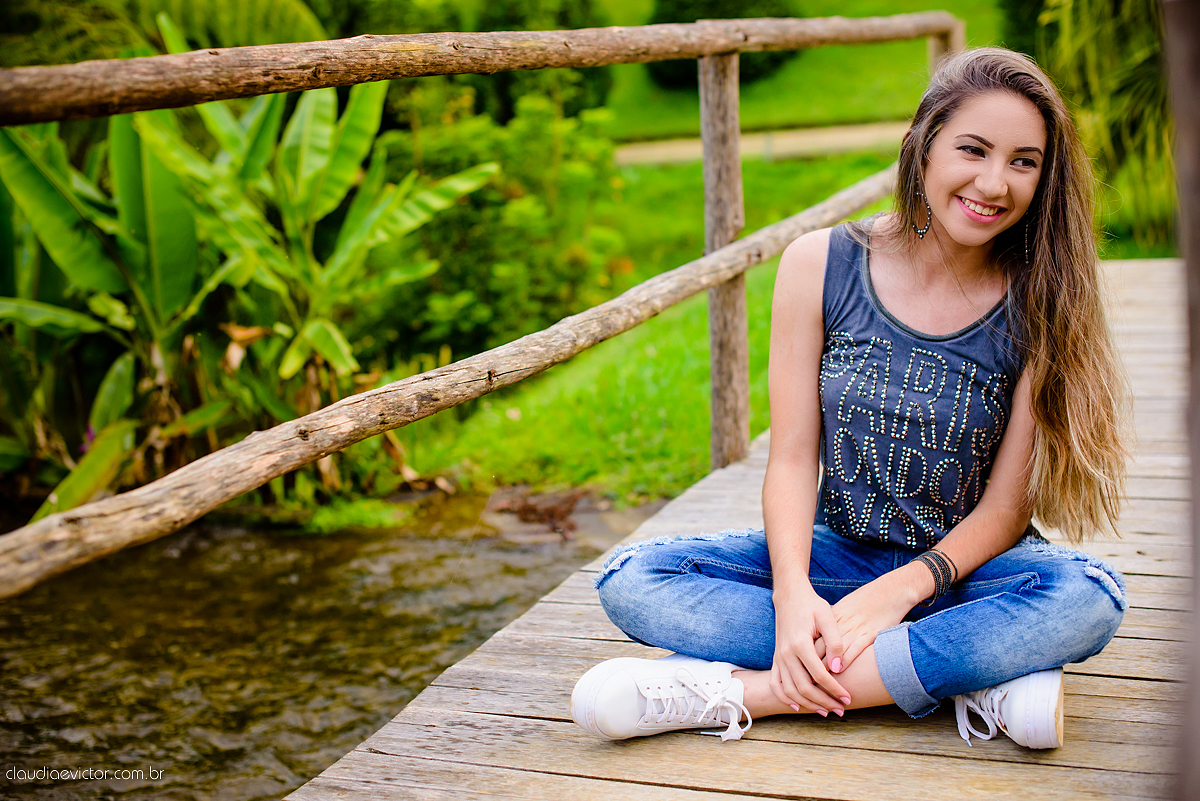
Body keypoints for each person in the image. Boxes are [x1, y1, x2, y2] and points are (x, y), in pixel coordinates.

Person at [569, 47, 1130, 749]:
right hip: (837, 561)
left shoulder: (1038, 297)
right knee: (633, 577)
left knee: (1090, 595)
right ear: (921, 146)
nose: (995, 182)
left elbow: (1007, 508)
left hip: (967, 574)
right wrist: (794, 590)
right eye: (973, 149)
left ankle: (747, 694)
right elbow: (793, 460)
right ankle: (975, 672)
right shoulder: (821, 263)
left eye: (1024, 160)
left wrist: (900, 593)